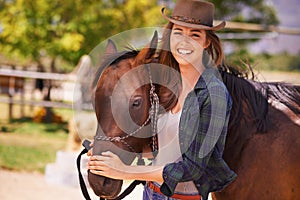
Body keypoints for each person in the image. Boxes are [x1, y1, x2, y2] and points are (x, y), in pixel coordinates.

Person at [87, 1, 237, 199]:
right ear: (169, 36)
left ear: (207, 42)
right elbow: (160, 151)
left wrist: (123, 171)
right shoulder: (164, 85)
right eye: (178, 32)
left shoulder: (213, 94)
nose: (184, 41)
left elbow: (193, 168)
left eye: (195, 34)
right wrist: (109, 151)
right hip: (151, 193)